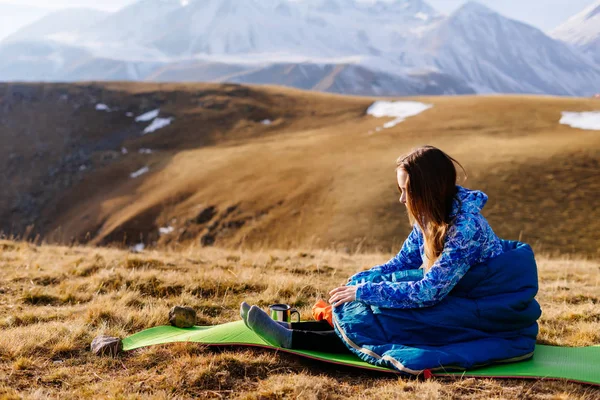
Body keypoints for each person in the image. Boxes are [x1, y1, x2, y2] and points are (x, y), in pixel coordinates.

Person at [241, 145, 541, 374]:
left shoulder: (465, 229)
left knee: (397, 318)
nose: (401, 200)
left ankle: (294, 340)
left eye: (406, 191)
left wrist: (365, 291)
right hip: (456, 292)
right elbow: (401, 263)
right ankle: (293, 330)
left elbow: (429, 292)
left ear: (428, 190)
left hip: (489, 309)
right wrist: (362, 280)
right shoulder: (429, 217)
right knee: (371, 301)